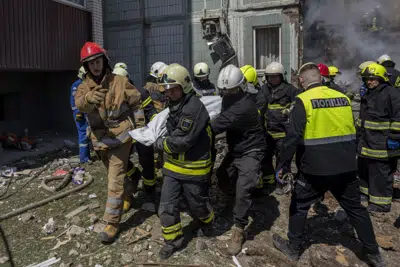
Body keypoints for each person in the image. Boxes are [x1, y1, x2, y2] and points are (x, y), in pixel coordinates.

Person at [273, 62, 384, 267]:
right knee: (356, 209)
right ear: (321, 78)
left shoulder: (302, 100)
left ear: (301, 81)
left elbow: (292, 138)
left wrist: (283, 166)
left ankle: (293, 248)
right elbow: (353, 130)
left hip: (314, 169)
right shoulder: (342, 98)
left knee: (299, 205)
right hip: (346, 166)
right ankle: (374, 253)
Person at [74, 42, 142, 243]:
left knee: (114, 180)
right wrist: (88, 98)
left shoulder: (120, 81)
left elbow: (136, 102)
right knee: (117, 177)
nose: (95, 66)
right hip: (100, 141)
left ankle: (112, 223)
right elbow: (79, 104)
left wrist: (140, 127)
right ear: (86, 67)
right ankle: (129, 190)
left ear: (104, 61)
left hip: (121, 138)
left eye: (98, 61)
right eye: (91, 63)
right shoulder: (83, 87)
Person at [154, 64, 214, 259]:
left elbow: (182, 140)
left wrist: (160, 143)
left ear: (185, 86)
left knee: (197, 205)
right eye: (167, 89)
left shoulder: (193, 108)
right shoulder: (174, 104)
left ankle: (207, 220)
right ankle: (173, 241)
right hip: (173, 167)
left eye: (173, 89)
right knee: (166, 206)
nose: (169, 93)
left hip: (194, 167)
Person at [212, 65, 266, 255]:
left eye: (231, 90)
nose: (227, 93)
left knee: (244, 187)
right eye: (225, 90)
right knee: (222, 176)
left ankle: (238, 227)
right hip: (237, 148)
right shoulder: (229, 99)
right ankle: (232, 203)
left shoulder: (244, 106)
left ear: (240, 87)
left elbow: (217, 125)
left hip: (252, 149)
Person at [112, 66, 158, 212]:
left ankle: (150, 186)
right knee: (120, 160)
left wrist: (155, 125)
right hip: (124, 133)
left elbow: (150, 111)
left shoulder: (140, 92)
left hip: (141, 131)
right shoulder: (113, 94)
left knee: (146, 158)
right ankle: (132, 178)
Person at [357, 63, 400, 213]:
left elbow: (398, 118)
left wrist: (395, 137)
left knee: (380, 174)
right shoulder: (369, 93)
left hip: (383, 144)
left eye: (372, 79)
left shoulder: (391, 94)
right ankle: (365, 195)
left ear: (381, 79)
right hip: (367, 141)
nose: (368, 82)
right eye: (366, 79)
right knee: (365, 170)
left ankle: (381, 204)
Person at [260, 62, 298, 193]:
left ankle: (281, 184)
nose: (272, 79)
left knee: (282, 160)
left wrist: (290, 110)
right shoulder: (264, 89)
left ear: (281, 76)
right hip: (267, 133)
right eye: (270, 77)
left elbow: (298, 104)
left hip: (283, 133)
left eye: (275, 76)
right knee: (265, 158)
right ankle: (268, 182)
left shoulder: (290, 90)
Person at [70, 66, 91, 163]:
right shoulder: (77, 85)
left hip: (84, 113)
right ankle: (84, 159)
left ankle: (87, 156)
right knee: (83, 134)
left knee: (86, 135)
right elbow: (76, 102)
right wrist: (79, 113)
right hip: (80, 114)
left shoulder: (82, 84)